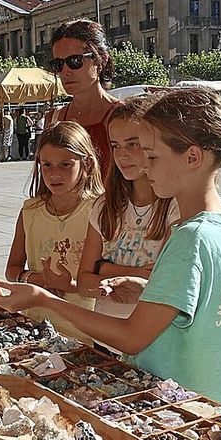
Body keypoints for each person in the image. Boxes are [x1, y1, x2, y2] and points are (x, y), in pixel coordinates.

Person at [0, 88, 221, 406]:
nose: (143, 167)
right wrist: (147, 291)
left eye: (152, 156)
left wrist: (46, 300)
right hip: (216, 393)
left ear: (192, 158)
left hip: (179, 401)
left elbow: (132, 338)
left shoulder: (191, 238)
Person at [74, 99, 180, 321]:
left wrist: (105, 270)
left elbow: (165, 284)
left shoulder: (175, 207)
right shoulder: (104, 206)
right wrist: (134, 275)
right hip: (105, 333)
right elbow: (83, 283)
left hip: (149, 338)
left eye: (133, 144)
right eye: (115, 145)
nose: (122, 155)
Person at [4, 121, 104, 344]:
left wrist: (68, 285)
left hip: (86, 330)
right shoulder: (30, 211)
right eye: (47, 165)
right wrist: (34, 278)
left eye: (65, 165)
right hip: (36, 325)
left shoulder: (99, 210)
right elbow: (12, 269)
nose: (54, 174)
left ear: (86, 163)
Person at [45, 19, 120, 181]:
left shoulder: (122, 116)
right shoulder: (53, 119)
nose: (65, 71)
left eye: (75, 61)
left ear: (102, 60)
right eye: (58, 64)